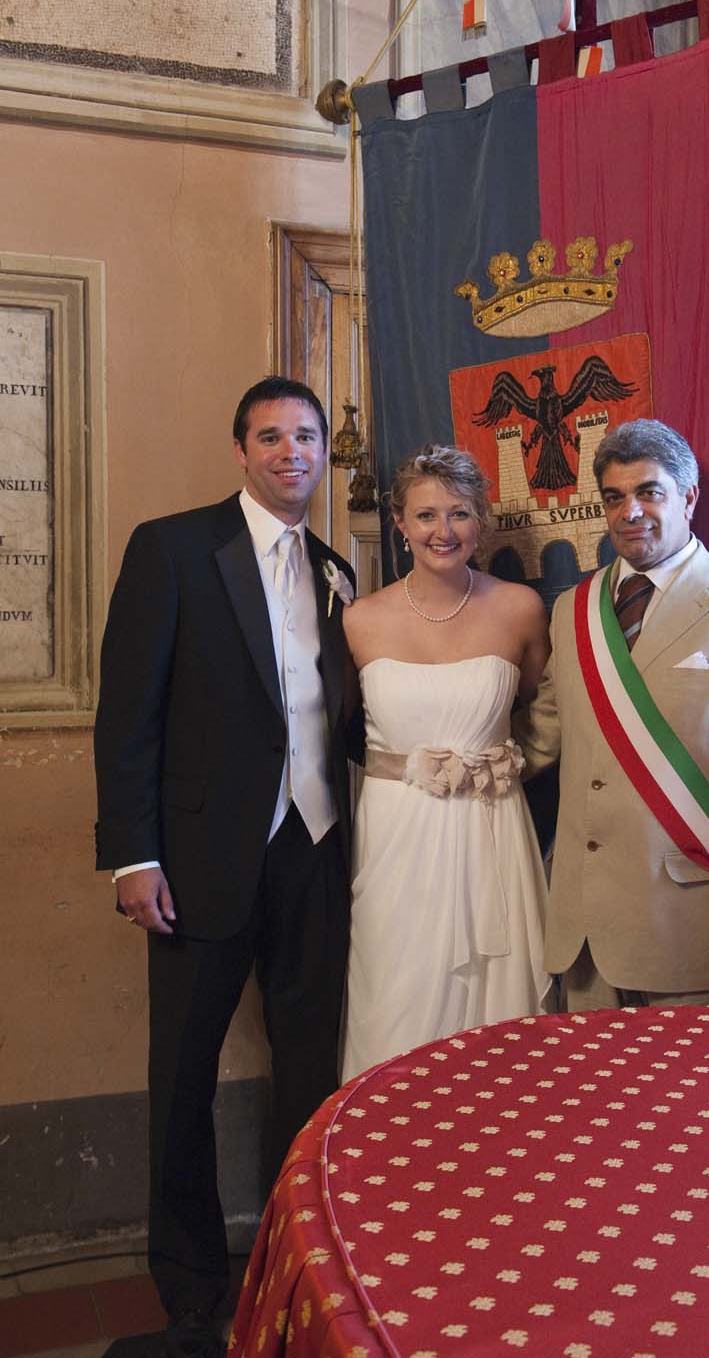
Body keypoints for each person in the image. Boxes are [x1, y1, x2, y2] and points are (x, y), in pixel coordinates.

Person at [94, 378, 356, 1358]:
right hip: (198, 863)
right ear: (240, 450)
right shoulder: (172, 548)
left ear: (324, 451)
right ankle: (194, 1287)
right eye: (269, 436)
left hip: (316, 857)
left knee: (310, 1078)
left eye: (306, 435)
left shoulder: (338, 570)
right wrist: (134, 855)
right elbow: (130, 715)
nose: (290, 451)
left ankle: (299, 1265)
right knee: (183, 1081)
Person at [515, 419, 709, 1009]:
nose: (631, 512)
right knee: (589, 1100)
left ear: (688, 497)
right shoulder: (574, 609)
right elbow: (544, 736)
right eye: (614, 497)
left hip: (693, 930)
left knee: (699, 1101)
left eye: (649, 492)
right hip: (583, 931)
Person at [341, 445, 551, 1080]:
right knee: (394, 995)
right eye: (425, 515)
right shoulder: (359, 620)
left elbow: (548, 710)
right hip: (397, 835)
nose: (442, 530)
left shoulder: (519, 608)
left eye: (458, 513)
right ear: (400, 525)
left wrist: (506, 766)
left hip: (492, 829)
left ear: (480, 522)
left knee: (498, 1021)